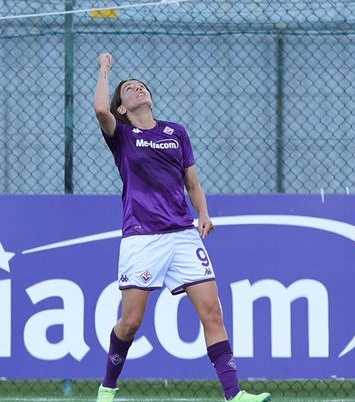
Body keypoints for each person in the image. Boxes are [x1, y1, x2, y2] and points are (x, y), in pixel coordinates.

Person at [93, 52, 272, 402]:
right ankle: (108, 387)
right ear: (122, 109)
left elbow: (192, 182)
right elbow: (100, 110)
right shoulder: (123, 136)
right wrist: (104, 69)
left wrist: (203, 212)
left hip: (184, 235)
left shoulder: (177, 132)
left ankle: (235, 394)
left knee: (212, 311)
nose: (137, 88)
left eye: (140, 85)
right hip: (142, 238)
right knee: (130, 321)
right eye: (128, 89)